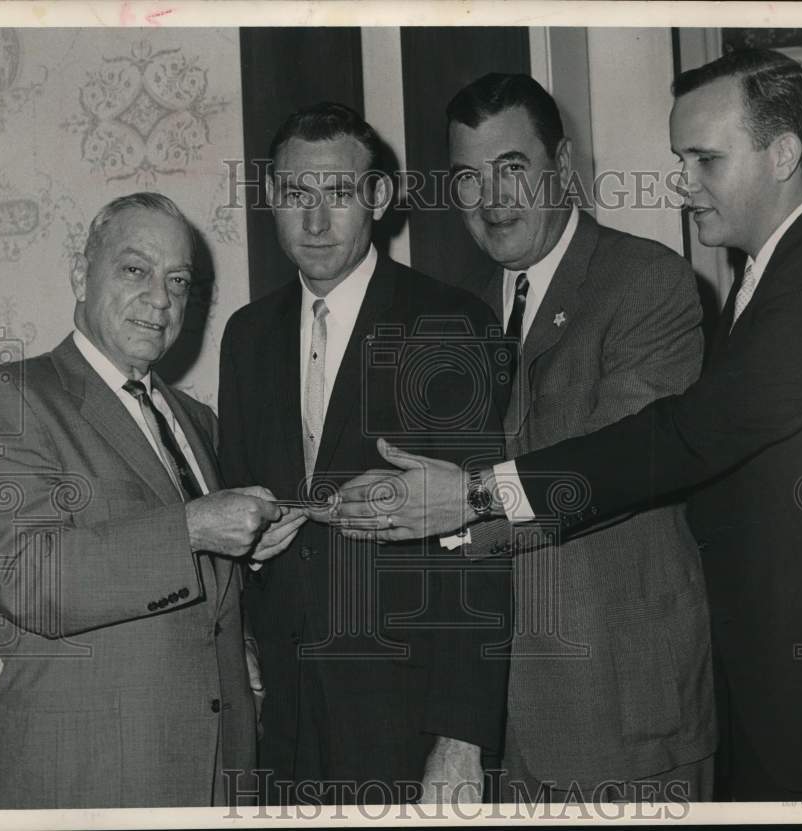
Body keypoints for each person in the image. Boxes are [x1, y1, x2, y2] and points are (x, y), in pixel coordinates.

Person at [327, 50, 802, 801]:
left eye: (705, 158)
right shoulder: (758, 275)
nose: (682, 182)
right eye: (468, 178)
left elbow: (677, 440)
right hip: (558, 729)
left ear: (783, 154)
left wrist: (472, 496)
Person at [0, 192, 306, 808]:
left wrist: (248, 557)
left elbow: (207, 604)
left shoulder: (197, 420)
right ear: (80, 271)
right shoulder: (9, 397)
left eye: (179, 280)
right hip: (91, 783)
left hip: (220, 778)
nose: (161, 298)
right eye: (135, 269)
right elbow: (26, 576)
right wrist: (193, 530)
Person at [217, 102, 510, 805]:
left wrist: (461, 735)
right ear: (270, 198)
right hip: (282, 718)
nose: (315, 223)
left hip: (407, 716)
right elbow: (237, 517)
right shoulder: (247, 336)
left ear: (378, 197)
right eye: (296, 195)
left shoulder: (448, 321)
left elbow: (480, 538)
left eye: (339, 194)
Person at [436, 73, 715, 802]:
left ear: (562, 167)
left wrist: (451, 511)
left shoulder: (647, 282)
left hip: (623, 725)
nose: (491, 200)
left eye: (512, 169)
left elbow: (610, 468)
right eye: (468, 178)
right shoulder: (452, 311)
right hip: (493, 732)